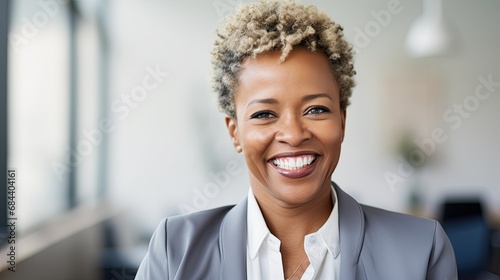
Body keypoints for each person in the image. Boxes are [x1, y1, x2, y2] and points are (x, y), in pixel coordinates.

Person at [135, 1, 457, 279]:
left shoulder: (421, 249)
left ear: (342, 121)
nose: (293, 134)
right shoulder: (173, 251)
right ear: (234, 132)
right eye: (264, 114)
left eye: (316, 109)